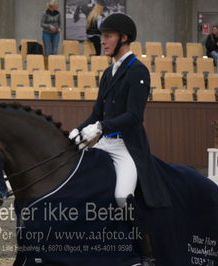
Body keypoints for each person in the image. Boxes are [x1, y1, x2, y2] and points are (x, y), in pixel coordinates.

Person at [69, 13, 171, 263]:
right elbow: (96, 113)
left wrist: (101, 126)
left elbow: (134, 117)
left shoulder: (138, 71)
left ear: (124, 38)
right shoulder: (108, 73)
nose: (102, 41)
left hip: (125, 146)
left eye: (107, 36)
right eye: (102, 37)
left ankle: (147, 250)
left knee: (121, 197)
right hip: (103, 142)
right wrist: (78, 130)